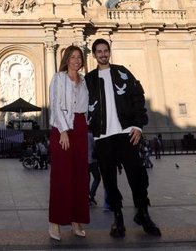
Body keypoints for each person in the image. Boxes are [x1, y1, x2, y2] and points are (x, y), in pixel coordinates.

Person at [85, 38, 160, 238]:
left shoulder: (122, 73)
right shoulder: (89, 79)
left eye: (105, 50)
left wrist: (138, 125)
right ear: (94, 55)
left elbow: (138, 96)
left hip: (126, 134)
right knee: (109, 181)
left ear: (109, 52)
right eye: (98, 51)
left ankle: (143, 214)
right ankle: (118, 220)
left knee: (138, 177)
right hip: (103, 137)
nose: (102, 54)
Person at [48, 45, 89, 240]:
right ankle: (55, 223)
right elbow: (55, 104)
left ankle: (76, 221)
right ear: (66, 59)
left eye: (79, 57)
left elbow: (87, 107)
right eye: (73, 57)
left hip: (80, 127)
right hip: (62, 128)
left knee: (80, 177)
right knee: (61, 177)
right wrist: (63, 130)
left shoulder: (84, 81)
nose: (76, 60)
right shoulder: (59, 78)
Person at [87, 131, 101, 205]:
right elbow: (95, 146)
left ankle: (88, 197)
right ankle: (91, 194)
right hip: (92, 160)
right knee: (97, 178)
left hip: (84, 161)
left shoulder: (80, 136)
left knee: (87, 180)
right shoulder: (90, 135)